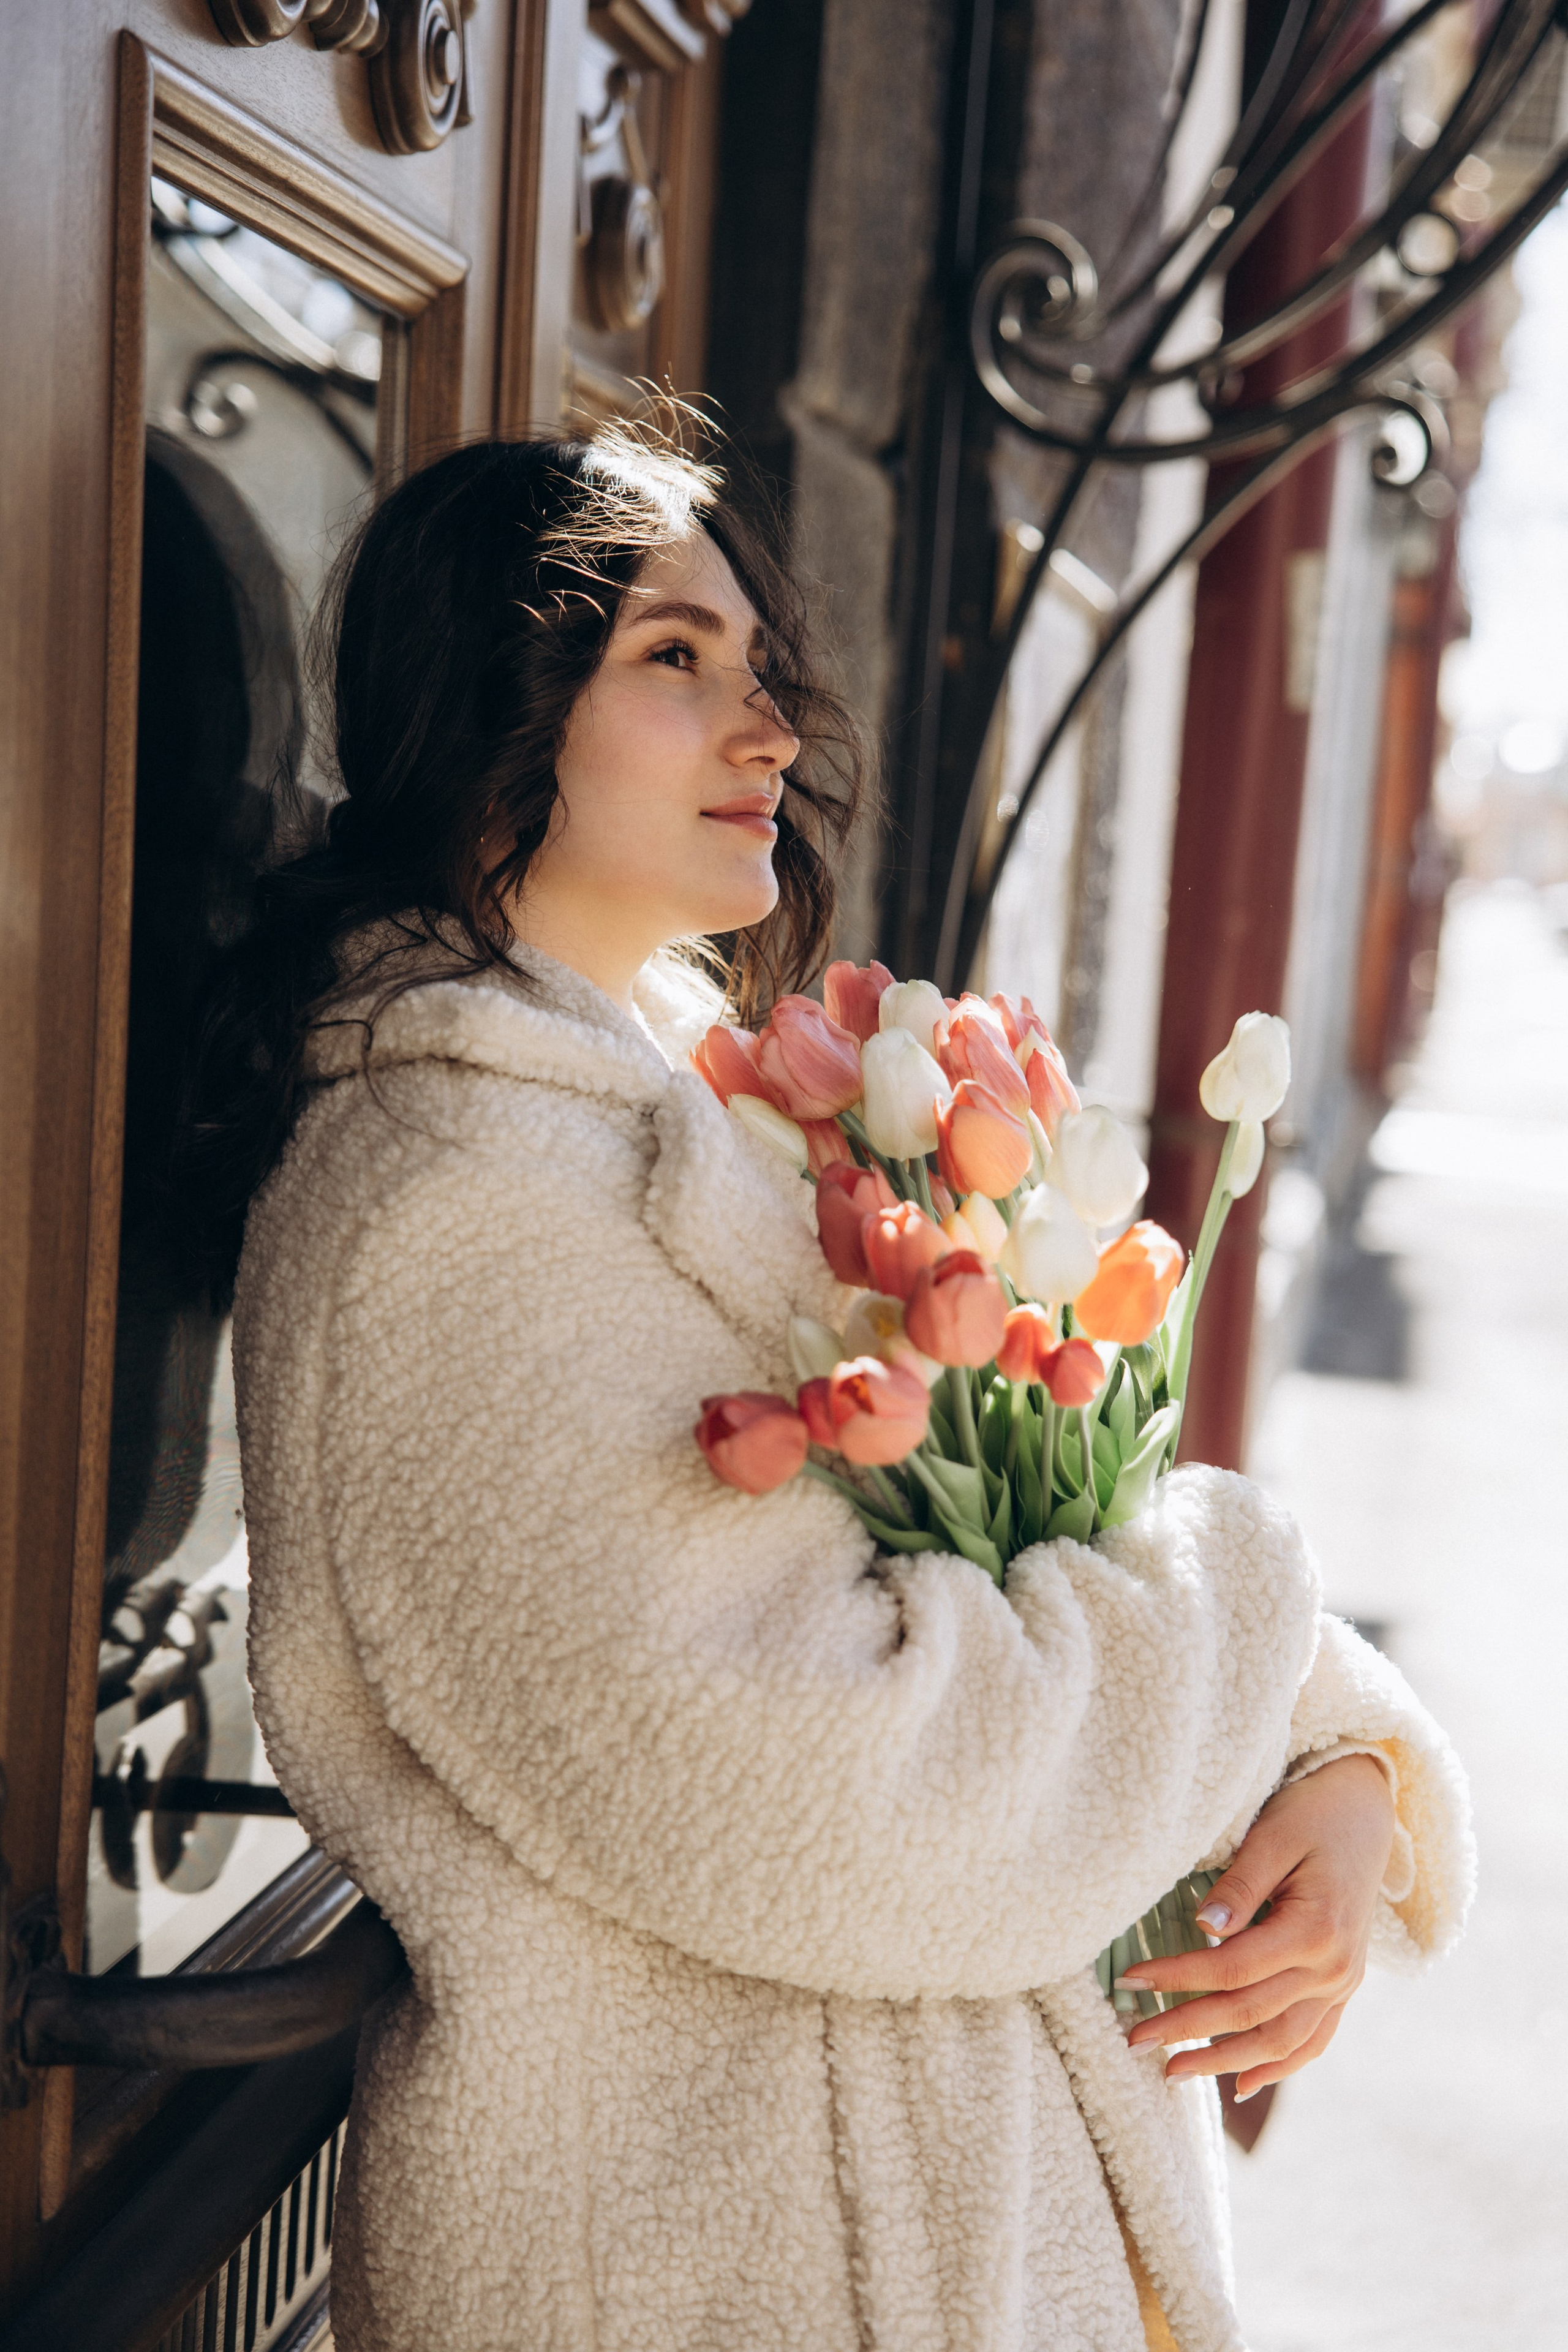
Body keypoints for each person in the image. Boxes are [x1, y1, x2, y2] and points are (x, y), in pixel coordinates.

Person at [196, 424, 1472, 2352]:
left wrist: (1341, 1759)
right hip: (721, 2269)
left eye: (760, 667)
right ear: (495, 711)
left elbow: (1044, 1544)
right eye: (674, 662)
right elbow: (870, 1810)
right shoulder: (446, 1225)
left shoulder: (692, 1127)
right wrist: (1253, 1599)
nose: (767, 730)